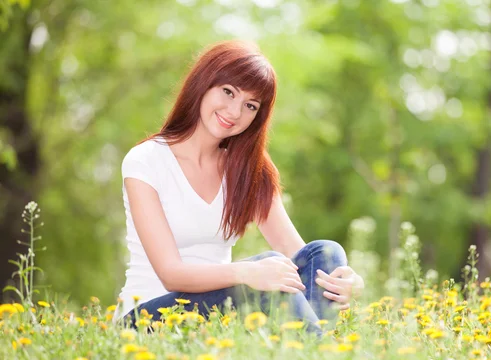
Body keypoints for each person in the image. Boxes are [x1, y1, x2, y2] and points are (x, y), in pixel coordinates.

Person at [113, 40, 365, 333]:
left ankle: (306, 355)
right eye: (228, 92)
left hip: (221, 316)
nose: (234, 111)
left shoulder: (246, 169)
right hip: (147, 317)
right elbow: (171, 274)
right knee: (270, 267)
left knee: (326, 253)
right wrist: (249, 273)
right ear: (203, 84)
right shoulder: (147, 160)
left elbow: (300, 261)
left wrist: (350, 283)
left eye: (250, 105)